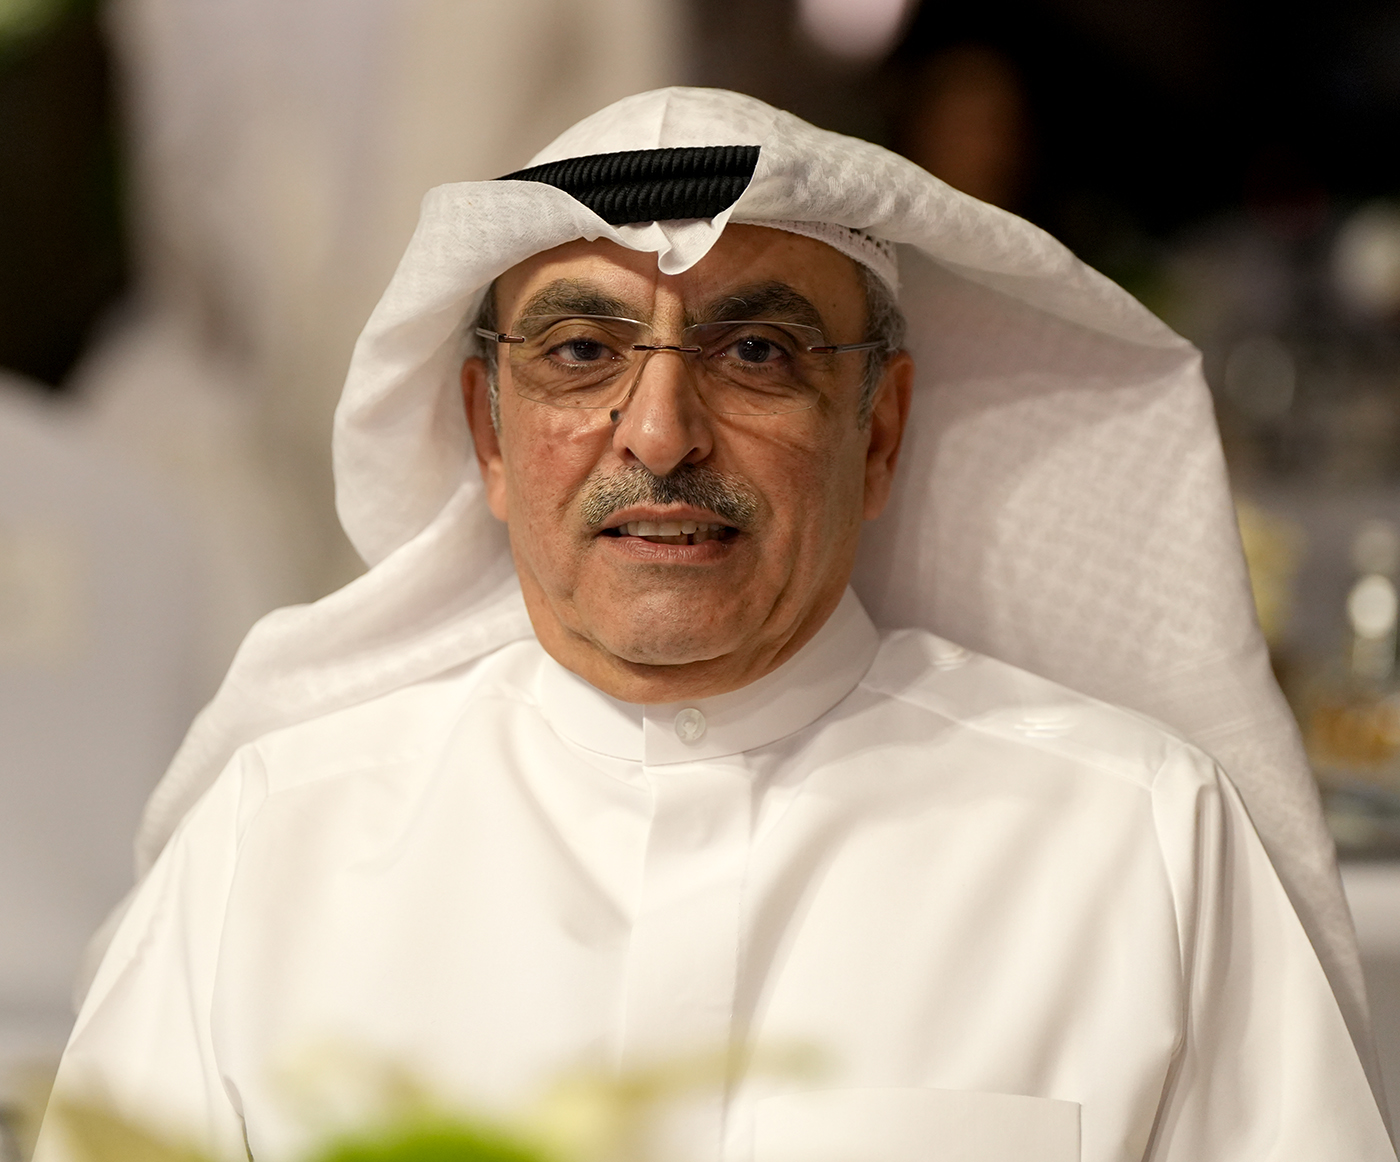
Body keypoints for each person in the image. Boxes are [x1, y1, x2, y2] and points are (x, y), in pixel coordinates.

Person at [34, 88, 1395, 1161]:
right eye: (582, 352)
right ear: (488, 436)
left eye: (756, 353)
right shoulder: (273, 847)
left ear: (880, 432)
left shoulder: (1135, 842)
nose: (662, 432)